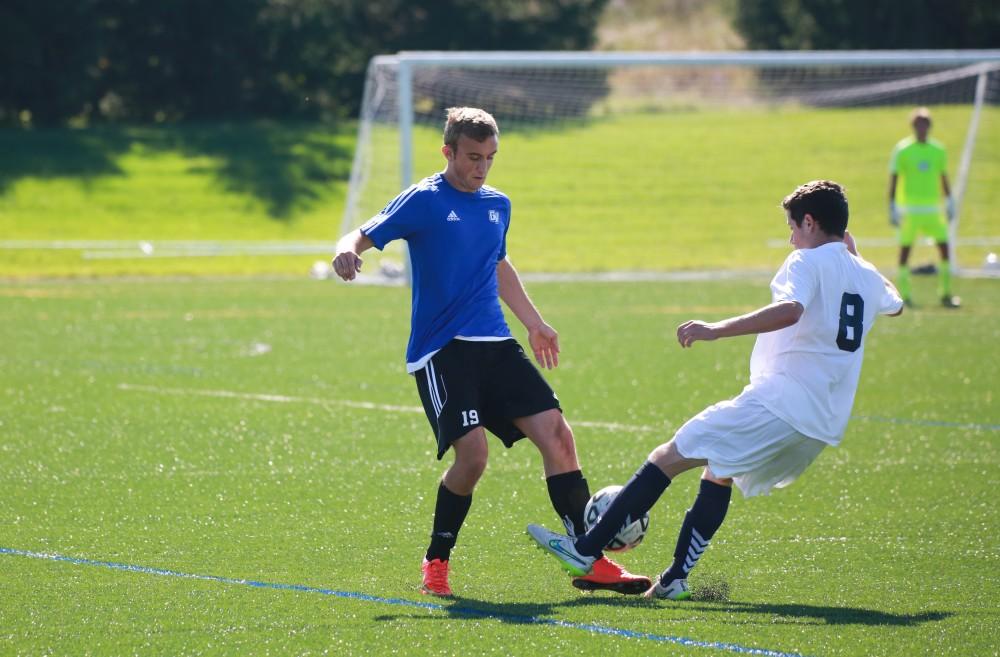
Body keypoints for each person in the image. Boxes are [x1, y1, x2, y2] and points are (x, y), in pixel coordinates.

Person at [528, 180, 904, 600]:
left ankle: (585, 549)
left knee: (667, 456)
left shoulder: (805, 262)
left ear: (811, 223)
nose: (791, 237)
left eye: (793, 227)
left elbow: (791, 309)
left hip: (781, 403)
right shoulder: (865, 273)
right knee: (718, 471)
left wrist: (716, 329)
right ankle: (673, 580)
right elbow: (897, 302)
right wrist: (856, 256)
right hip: (822, 425)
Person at [332, 107, 649, 597]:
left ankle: (588, 555)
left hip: (496, 342)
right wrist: (347, 250)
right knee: (473, 456)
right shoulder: (424, 199)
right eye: (473, 157)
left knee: (558, 435)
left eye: (490, 158)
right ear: (449, 152)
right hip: (442, 349)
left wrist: (535, 323)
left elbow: (497, 263)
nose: (482, 167)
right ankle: (436, 560)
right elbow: (363, 232)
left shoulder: (498, 203)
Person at [889, 107, 960, 308]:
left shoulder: (938, 150)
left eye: (925, 123)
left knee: (945, 249)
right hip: (909, 211)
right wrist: (892, 205)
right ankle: (903, 295)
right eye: (918, 123)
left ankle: (946, 294)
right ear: (913, 126)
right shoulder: (903, 150)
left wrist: (949, 201)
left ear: (929, 126)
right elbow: (894, 178)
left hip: (932, 210)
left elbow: (943, 177)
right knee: (904, 252)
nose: (921, 127)